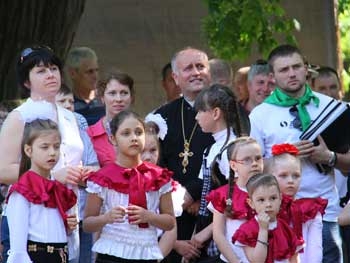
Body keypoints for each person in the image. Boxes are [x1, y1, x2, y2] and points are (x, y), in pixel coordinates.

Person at [249, 44, 350, 263]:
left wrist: (329, 157)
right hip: (280, 213)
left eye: (296, 66)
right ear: (273, 76)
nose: (292, 73)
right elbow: (253, 169)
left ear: (306, 69)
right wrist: (287, 154)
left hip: (325, 210)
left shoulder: (332, 107)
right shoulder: (260, 115)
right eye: (284, 70)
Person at [0, 45, 87, 263]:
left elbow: (72, 160)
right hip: (29, 216)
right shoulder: (19, 117)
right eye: (41, 71)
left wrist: (85, 173)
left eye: (54, 68)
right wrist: (53, 177)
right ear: (27, 82)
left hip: (65, 213)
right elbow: (2, 170)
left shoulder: (69, 117)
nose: (50, 75)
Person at [83, 110, 176, 262]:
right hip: (111, 254)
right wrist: (106, 218)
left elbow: (170, 222)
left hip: (146, 254)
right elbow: (87, 224)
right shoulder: (102, 178)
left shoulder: (159, 177)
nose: (134, 138)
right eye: (126, 133)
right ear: (113, 139)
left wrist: (149, 216)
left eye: (138, 132)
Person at [154, 47, 215, 262]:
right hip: (173, 212)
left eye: (201, 67)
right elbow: (154, 166)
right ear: (175, 77)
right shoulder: (161, 117)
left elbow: (230, 159)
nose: (196, 72)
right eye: (188, 68)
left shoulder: (227, 111)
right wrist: (183, 199)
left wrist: (200, 195)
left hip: (214, 213)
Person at [189, 84, 249, 262]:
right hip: (209, 227)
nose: (196, 116)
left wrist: (207, 233)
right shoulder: (212, 149)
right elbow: (205, 195)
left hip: (227, 230)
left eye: (200, 111)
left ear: (215, 113)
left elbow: (239, 200)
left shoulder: (231, 150)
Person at [6, 119, 78, 263]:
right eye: (45, 147)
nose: (52, 153)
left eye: (56, 147)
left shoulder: (56, 188)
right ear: (28, 150)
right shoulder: (22, 191)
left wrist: (67, 228)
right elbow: (18, 248)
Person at [56, 84, 100, 263]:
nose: (67, 105)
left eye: (71, 101)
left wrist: (87, 173)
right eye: (62, 101)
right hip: (55, 212)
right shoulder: (42, 134)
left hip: (81, 211)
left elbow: (95, 168)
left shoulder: (81, 133)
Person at [265, 143, 328, 263]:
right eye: (283, 175)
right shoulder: (263, 208)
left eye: (296, 176)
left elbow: (315, 249)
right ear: (269, 177)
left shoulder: (310, 210)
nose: (290, 181)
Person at [206, 137, 263, 263]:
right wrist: (236, 261)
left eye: (258, 158)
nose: (254, 163)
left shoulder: (271, 192)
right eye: (247, 160)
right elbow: (218, 234)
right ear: (233, 165)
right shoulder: (223, 194)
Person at [232, 173, 304, 263]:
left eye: (273, 198)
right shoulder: (247, 230)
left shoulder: (285, 228)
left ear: (280, 199)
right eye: (261, 200)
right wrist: (263, 230)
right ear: (251, 203)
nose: (268, 204)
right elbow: (258, 260)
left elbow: (294, 258)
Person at [87, 69, 135, 167]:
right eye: (112, 93)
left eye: (124, 93)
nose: (119, 99)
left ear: (131, 97)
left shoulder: (142, 131)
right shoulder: (89, 135)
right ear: (102, 98)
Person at [65, 46, 104, 125]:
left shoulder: (106, 100)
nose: (95, 76)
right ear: (73, 73)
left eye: (97, 70)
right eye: (90, 72)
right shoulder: (67, 104)